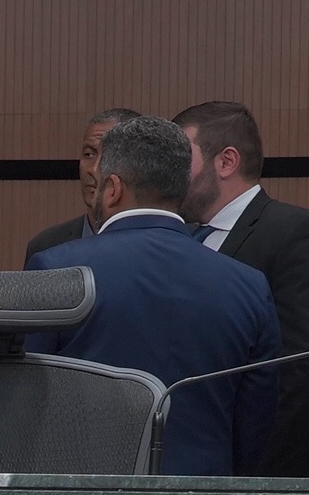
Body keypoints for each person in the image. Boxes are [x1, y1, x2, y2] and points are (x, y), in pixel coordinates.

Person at [28, 114, 279, 474]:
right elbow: (255, 423)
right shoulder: (248, 285)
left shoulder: (56, 269)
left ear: (113, 189)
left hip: (85, 494)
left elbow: (26, 401)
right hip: (205, 493)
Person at [175, 101, 309, 478]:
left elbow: (305, 369)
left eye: (181, 158)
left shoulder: (298, 233)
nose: (170, 174)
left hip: (262, 474)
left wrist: (248, 468)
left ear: (226, 161)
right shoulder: (179, 240)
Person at [25, 109, 140, 265]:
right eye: (89, 154)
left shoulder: (159, 246)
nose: (93, 169)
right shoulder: (46, 247)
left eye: (109, 156)